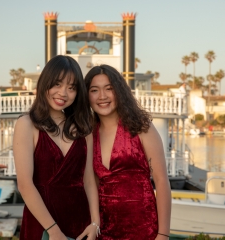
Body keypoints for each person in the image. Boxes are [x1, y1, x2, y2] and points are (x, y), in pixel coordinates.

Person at [13, 55, 100, 240]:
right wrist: (54, 231)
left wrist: (95, 223)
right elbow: (25, 184)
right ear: (45, 83)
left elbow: (89, 181)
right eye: (58, 84)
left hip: (80, 224)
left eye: (71, 87)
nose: (63, 93)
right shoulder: (26, 124)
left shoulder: (85, 128)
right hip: (42, 225)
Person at [85, 65, 171, 240]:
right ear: (87, 96)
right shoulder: (88, 135)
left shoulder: (140, 126)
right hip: (106, 231)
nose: (102, 96)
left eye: (109, 89)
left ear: (119, 92)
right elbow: (92, 185)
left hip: (145, 229)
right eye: (94, 90)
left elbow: (162, 181)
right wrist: (94, 223)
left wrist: (163, 234)